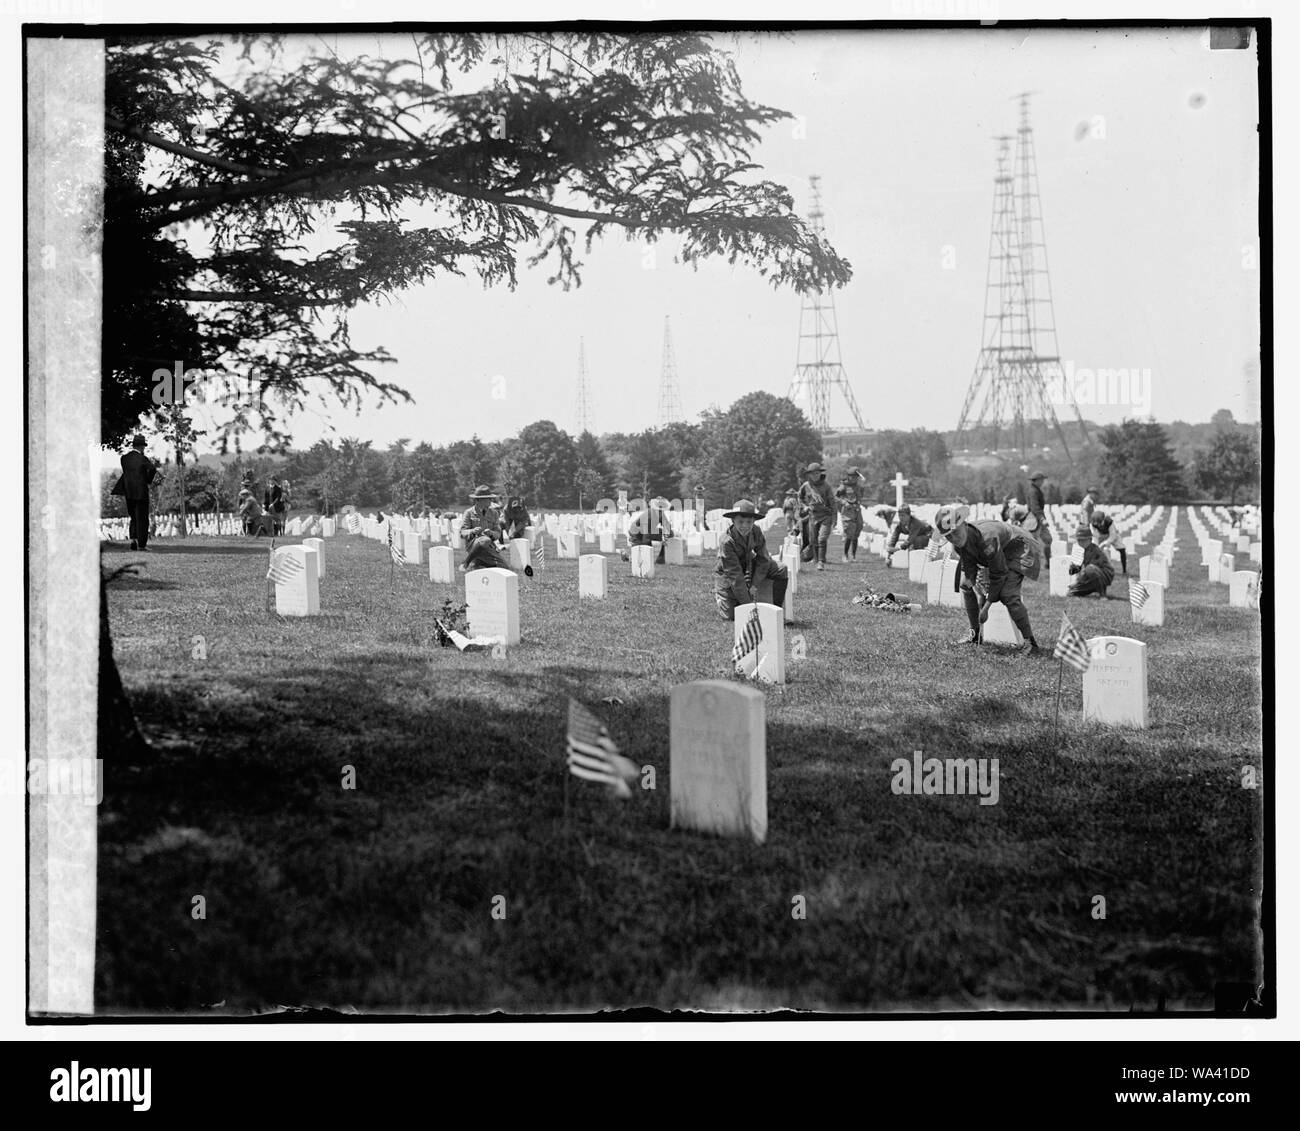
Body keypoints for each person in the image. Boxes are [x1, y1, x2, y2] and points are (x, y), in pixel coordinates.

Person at [935, 504, 1042, 655]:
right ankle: (975, 635)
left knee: (1008, 594)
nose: (953, 538)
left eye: (955, 532)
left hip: (1019, 547)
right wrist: (969, 579)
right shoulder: (958, 545)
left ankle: (1030, 642)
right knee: (965, 586)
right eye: (948, 535)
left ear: (964, 525)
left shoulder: (987, 538)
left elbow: (999, 574)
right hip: (1002, 549)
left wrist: (986, 608)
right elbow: (969, 564)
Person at [713, 499, 789, 621]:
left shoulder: (756, 531)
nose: (745, 526)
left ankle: (775, 609)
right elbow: (735, 575)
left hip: (748, 566)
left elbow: (764, 559)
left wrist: (754, 584)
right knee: (731, 616)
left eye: (749, 522)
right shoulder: (726, 541)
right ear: (733, 521)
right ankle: (721, 595)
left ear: (754, 521)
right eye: (740, 522)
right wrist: (749, 607)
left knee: (781, 569)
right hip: (728, 575)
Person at [119, 435, 157, 551]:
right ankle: (142, 545)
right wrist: (148, 480)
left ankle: (133, 540)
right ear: (141, 447)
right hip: (141, 491)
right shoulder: (142, 458)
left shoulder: (124, 458)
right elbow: (152, 469)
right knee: (142, 518)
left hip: (129, 492)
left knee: (133, 517)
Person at [459, 484, 510, 571]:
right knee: (484, 540)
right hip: (473, 544)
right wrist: (472, 531)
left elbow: (498, 532)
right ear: (479, 500)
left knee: (504, 567)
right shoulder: (469, 513)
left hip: (489, 546)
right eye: (488, 499)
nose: (491, 501)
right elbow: (462, 532)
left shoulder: (494, 513)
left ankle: (478, 563)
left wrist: (491, 533)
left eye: (490, 498)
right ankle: (466, 563)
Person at [799, 462, 836, 571]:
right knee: (813, 540)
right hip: (813, 516)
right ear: (809, 475)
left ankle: (821, 562)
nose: (815, 476)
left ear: (820, 473)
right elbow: (800, 498)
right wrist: (805, 506)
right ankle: (816, 559)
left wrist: (835, 518)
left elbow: (832, 502)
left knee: (822, 538)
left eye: (817, 473)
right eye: (812, 474)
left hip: (826, 515)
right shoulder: (806, 486)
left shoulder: (826, 486)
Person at [1068, 524, 1115, 597]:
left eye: (1083, 540)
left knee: (1090, 569)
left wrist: (1079, 581)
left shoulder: (1095, 550)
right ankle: (1094, 587)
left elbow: (1090, 569)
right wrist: (1075, 569)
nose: (1081, 542)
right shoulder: (1084, 550)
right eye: (1079, 540)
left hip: (1104, 575)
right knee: (1072, 592)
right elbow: (1082, 565)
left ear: (1090, 539)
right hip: (1091, 576)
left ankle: (1102, 593)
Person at [624, 496, 672, 564]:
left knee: (671, 533)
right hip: (637, 533)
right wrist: (648, 551)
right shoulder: (648, 516)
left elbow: (667, 525)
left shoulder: (661, 514)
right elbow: (646, 537)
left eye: (661, 508)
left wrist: (665, 536)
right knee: (640, 556)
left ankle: (661, 558)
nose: (660, 510)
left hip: (650, 530)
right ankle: (627, 557)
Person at [834, 468, 866, 561]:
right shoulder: (843, 486)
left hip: (857, 511)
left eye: (856, 477)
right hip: (847, 512)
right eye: (853, 477)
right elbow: (835, 497)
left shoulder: (858, 486)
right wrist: (844, 502)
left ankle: (853, 555)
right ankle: (845, 555)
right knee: (849, 533)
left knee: (857, 531)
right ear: (848, 477)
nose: (855, 479)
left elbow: (860, 496)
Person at [1089, 507, 1127, 575]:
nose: (1098, 525)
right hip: (1100, 535)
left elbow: (1113, 535)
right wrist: (1097, 547)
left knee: (1122, 549)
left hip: (1112, 535)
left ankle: (1124, 571)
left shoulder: (1109, 521)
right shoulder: (1092, 524)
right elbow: (1095, 536)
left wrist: (1105, 543)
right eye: (1096, 524)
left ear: (1103, 519)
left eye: (1100, 523)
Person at [1026, 471, 1052, 561]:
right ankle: (1031, 564)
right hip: (1034, 520)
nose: (1043, 482)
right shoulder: (1033, 491)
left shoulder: (1036, 490)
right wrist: (1042, 518)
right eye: (1042, 480)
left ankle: (1048, 562)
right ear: (1037, 480)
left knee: (1048, 540)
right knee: (1032, 543)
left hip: (1038, 518)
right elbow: (1035, 507)